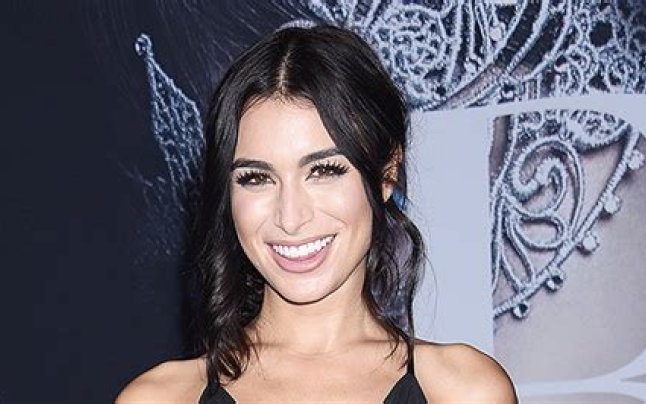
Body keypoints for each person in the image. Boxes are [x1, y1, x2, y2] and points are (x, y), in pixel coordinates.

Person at [117, 25, 516, 403]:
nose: (290, 218)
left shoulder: (463, 392)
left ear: (386, 175)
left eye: (324, 171)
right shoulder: (161, 398)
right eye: (257, 178)